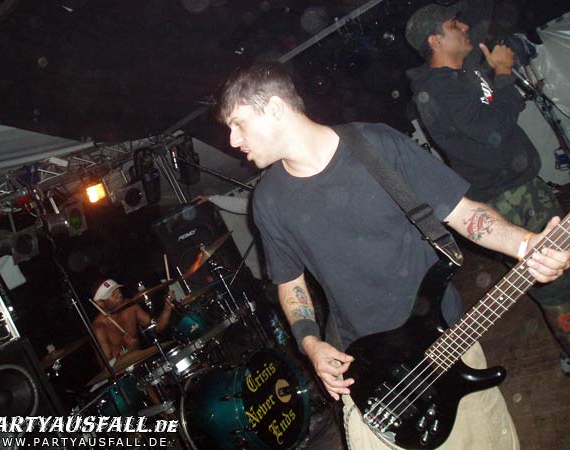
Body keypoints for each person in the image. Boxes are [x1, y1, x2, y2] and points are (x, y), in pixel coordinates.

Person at [215, 61, 570, 449]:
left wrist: (525, 244)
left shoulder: (376, 145)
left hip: (444, 346)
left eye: (238, 123)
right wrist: (310, 343)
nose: (233, 140)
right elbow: (290, 281)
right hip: (365, 372)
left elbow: (462, 213)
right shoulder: (268, 200)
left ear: (274, 108)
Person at [405, 2, 570, 372]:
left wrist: (500, 76)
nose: (464, 26)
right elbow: (491, 130)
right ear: (435, 40)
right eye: (454, 24)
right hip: (507, 197)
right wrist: (504, 73)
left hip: (523, 186)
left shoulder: (462, 76)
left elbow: (499, 113)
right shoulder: (437, 90)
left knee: (562, 269)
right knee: (554, 281)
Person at [92, 279, 174, 361]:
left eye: (118, 290)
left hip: (141, 360)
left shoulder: (130, 307)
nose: (119, 294)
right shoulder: (99, 327)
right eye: (113, 294)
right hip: (125, 368)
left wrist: (167, 308)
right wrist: (127, 350)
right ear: (100, 303)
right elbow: (107, 365)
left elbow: (157, 327)